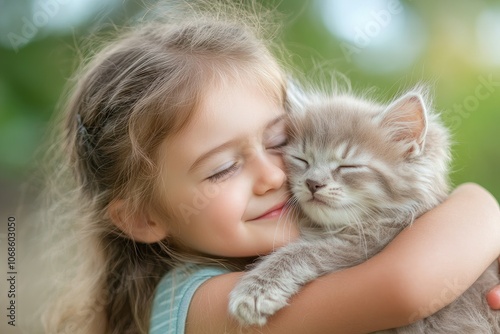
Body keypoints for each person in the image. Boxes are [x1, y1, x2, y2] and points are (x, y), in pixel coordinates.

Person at [41, 2, 500, 333]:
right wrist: (480, 205)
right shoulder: (192, 304)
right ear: (143, 217)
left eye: (280, 143)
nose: (277, 176)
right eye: (222, 168)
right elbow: (407, 287)